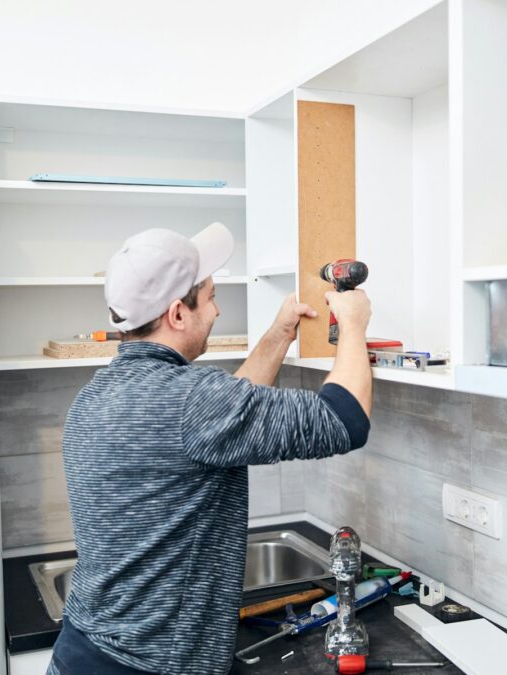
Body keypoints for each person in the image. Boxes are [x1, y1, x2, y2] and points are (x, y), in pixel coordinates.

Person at [47, 222, 373, 675]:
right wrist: (354, 324)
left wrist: (279, 335)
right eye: (212, 296)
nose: (217, 311)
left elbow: (220, 423)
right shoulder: (193, 399)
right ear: (178, 313)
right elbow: (345, 419)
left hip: (82, 652)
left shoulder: (96, 393)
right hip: (153, 666)